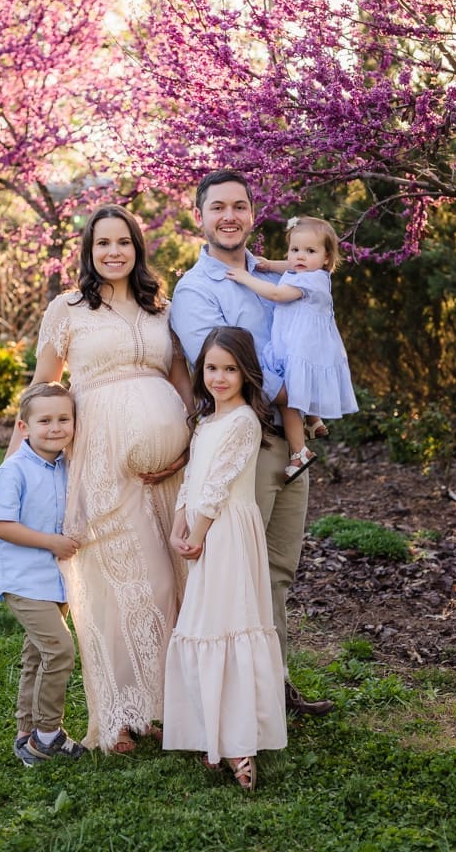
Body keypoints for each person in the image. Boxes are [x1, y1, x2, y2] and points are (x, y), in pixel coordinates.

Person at [6, 204, 194, 753]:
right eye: (102, 243)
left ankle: (160, 710)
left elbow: (180, 377)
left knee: (170, 587)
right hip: (100, 462)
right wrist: (16, 464)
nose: (114, 252)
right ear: (87, 252)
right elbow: (43, 386)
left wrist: (191, 442)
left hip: (170, 471)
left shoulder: (161, 309)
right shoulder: (66, 309)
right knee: (120, 588)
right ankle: (116, 718)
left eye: (124, 242)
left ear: (138, 248)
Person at [170, 169, 334, 718]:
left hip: (288, 437)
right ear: (201, 216)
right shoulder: (196, 291)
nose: (230, 216)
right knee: (242, 571)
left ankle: (273, 685)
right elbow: (221, 374)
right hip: (245, 444)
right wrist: (306, 392)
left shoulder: (284, 272)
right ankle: (238, 700)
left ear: (252, 213)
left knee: (279, 571)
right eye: (218, 207)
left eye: (240, 206)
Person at [163, 327, 287, 792]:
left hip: (226, 531)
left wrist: (195, 535)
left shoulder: (243, 422)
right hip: (202, 527)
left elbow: (217, 489)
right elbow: (194, 476)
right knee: (202, 624)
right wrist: (179, 518)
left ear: (245, 373)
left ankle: (240, 744)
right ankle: (210, 732)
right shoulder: (207, 421)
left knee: (228, 623)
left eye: (230, 369)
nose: (219, 377)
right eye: (212, 368)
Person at [0, 381, 85, 766]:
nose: (56, 427)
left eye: (64, 418)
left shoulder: (66, 465)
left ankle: (25, 735)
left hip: (55, 580)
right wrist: (51, 542)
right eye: (45, 420)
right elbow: (0, 524)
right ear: (24, 427)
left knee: (37, 656)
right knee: (60, 650)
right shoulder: (14, 471)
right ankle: (48, 736)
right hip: (25, 580)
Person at [225, 215, 359, 484]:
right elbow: (289, 265)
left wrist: (245, 278)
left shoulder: (307, 281)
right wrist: (267, 264)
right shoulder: (312, 271)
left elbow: (276, 295)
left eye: (310, 251)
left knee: (288, 398)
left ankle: (300, 452)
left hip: (297, 347)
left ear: (326, 257)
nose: (299, 256)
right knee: (297, 387)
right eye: (295, 249)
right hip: (307, 346)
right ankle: (314, 420)